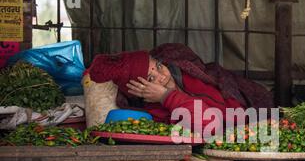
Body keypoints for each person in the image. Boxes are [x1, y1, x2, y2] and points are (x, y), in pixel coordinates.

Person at [86, 43, 273, 131]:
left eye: (158, 66)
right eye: (151, 78)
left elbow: (235, 112)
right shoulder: (153, 113)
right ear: (137, 90)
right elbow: (211, 125)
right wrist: (166, 97)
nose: (162, 76)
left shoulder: (188, 73)